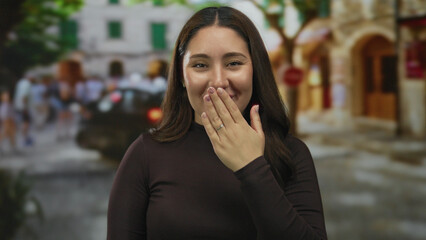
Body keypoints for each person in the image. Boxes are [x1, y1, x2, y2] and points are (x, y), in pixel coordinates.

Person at [107, 7, 327, 240]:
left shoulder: (291, 153)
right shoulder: (145, 154)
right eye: (200, 65)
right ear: (182, 76)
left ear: (255, 69)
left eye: (234, 63)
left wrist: (252, 167)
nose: (219, 81)